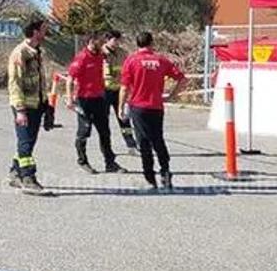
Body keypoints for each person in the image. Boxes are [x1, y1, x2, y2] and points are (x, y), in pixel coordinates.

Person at [119, 31, 187, 191]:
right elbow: (182, 79)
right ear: (151, 43)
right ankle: (165, 170)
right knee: (158, 139)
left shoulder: (131, 60)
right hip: (156, 106)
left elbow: (123, 87)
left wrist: (120, 106)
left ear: (137, 44)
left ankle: (149, 175)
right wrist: (172, 95)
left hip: (138, 107)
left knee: (143, 141)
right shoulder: (161, 60)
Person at [66, 33, 123, 174]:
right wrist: (69, 99)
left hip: (99, 99)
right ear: (92, 41)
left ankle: (110, 163)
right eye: (100, 41)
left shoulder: (100, 56)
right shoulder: (81, 58)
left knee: (105, 132)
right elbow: (70, 79)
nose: (102, 43)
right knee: (84, 131)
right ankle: (83, 160)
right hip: (84, 100)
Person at [7, 19, 50, 194]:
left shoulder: (37, 52)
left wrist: (46, 104)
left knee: (28, 143)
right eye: (43, 30)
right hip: (24, 106)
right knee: (25, 143)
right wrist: (20, 110)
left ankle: (14, 173)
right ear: (34, 31)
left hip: (37, 104)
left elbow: (40, 81)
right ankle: (28, 178)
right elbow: (14, 83)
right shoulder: (20, 53)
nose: (46, 33)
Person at [102, 30, 138, 150]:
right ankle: (106, 147)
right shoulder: (100, 53)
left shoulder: (122, 53)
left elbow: (129, 67)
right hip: (105, 90)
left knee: (123, 117)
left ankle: (131, 143)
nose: (117, 43)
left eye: (118, 40)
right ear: (107, 40)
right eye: (114, 40)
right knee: (103, 120)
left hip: (119, 90)